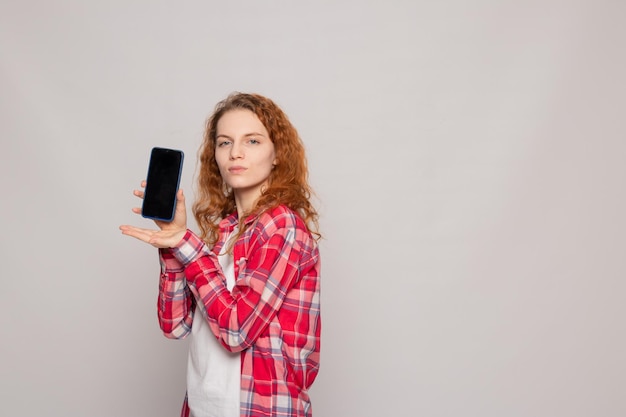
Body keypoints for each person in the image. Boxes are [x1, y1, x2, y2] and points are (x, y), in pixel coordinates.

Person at [119, 93, 321, 417]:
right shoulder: (225, 232)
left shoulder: (282, 227)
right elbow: (174, 325)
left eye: (252, 141)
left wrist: (188, 245)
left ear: (277, 155)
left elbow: (236, 329)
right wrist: (172, 246)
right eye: (225, 143)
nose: (236, 153)